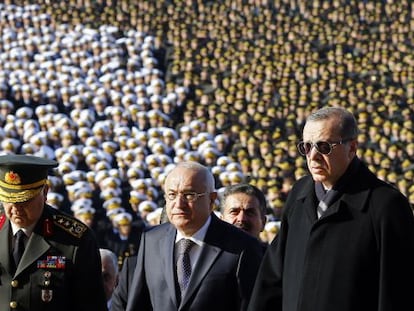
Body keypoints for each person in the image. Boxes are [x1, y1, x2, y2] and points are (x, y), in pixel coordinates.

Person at [247, 106, 414, 311]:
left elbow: (397, 293)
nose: (313, 156)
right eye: (306, 147)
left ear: (351, 148)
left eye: (324, 146)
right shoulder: (300, 192)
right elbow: (273, 276)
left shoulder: (385, 205)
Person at [111, 161, 263, 311]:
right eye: (172, 195)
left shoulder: (242, 247)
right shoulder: (151, 239)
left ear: (211, 200)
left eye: (189, 195)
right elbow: (139, 303)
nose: (178, 204)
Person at [0, 154, 107, 311]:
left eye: (24, 200)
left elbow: (91, 304)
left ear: (45, 192)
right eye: (9, 199)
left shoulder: (75, 240)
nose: (15, 208)